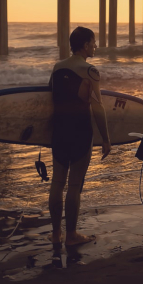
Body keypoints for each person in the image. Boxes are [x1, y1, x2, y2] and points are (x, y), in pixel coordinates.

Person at [48, 26, 111, 247]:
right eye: (93, 42)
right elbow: (98, 107)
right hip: (80, 131)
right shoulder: (90, 70)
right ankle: (72, 235)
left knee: (57, 182)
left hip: (59, 131)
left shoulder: (57, 68)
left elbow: (49, 100)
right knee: (74, 186)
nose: (95, 46)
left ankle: (56, 234)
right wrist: (105, 138)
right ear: (85, 45)